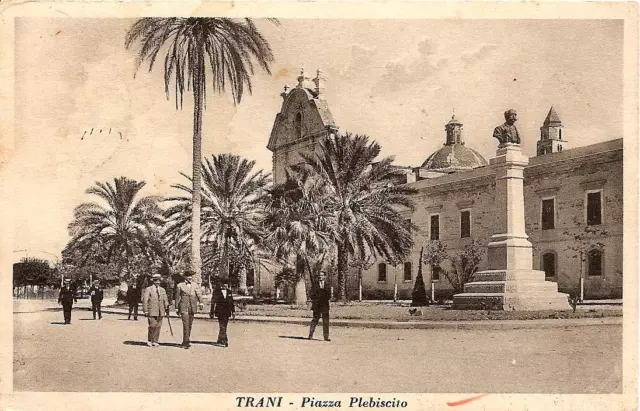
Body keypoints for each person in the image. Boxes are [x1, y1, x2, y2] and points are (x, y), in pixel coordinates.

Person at [174, 271, 203, 349]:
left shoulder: (195, 285)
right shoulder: (180, 285)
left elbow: (199, 294)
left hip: (192, 306)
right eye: (188, 277)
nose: (190, 278)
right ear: (185, 278)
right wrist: (176, 307)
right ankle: (186, 341)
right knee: (185, 324)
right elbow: (177, 297)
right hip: (184, 306)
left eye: (191, 277)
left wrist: (201, 302)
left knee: (189, 324)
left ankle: (187, 339)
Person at [142, 273, 169, 347]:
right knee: (152, 325)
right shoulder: (149, 289)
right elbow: (145, 300)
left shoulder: (162, 290)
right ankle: (149, 340)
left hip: (161, 311)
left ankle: (155, 341)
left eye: (159, 281)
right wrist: (145, 310)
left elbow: (165, 300)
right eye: (156, 281)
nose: (157, 282)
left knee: (158, 326)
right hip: (152, 310)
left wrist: (166, 308)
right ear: (153, 281)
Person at [210, 280, 235, 347]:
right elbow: (213, 302)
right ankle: (225, 339)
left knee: (225, 325)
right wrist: (211, 312)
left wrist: (233, 312)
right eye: (223, 284)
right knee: (222, 325)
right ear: (221, 285)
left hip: (227, 311)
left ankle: (220, 339)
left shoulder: (229, 292)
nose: (225, 286)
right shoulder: (216, 292)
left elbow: (231, 302)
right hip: (220, 311)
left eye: (226, 284)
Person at [308, 271, 331, 341]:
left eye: (322, 275)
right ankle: (310, 335)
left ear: (325, 276)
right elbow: (311, 294)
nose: (320, 277)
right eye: (319, 276)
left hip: (324, 305)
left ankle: (326, 337)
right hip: (317, 305)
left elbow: (329, 295)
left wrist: (323, 298)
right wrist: (316, 299)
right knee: (314, 320)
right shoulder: (314, 285)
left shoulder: (327, 285)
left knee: (326, 321)